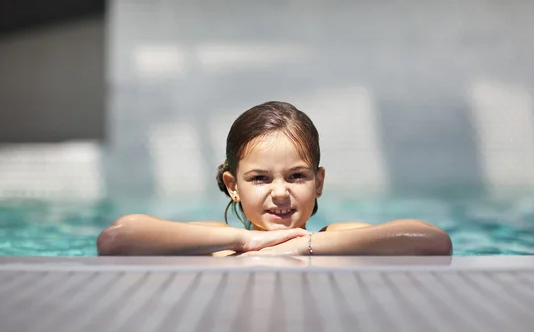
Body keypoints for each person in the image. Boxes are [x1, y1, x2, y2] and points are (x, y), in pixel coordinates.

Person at [97, 101, 452, 256]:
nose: (280, 193)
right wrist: (245, 241)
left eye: (297, 176)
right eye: (260, 178)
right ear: (233, 186)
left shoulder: (331, 238)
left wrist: (305, 245)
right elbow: (116, 239)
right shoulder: (221, 240)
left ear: (320, 182)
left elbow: (431, 241)